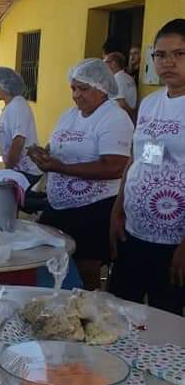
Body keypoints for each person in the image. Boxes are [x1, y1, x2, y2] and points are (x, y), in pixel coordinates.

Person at [28, 59, 133, 290]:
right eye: (73, 88)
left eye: (83, 89)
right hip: (60, 206)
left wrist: (61, 168)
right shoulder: (69, 115)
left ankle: (90, 317)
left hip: (94, 209)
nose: (76, 95)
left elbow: (115, 166)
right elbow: (58, 147)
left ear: (103, 88)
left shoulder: (114, 118)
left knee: (86, 272)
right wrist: (43, 154)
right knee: (49, 261)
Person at [109, 19, 185, 314]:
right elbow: (137, 158)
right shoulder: (151, 103)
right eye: (161, 54)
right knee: (119, 314)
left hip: (174, 242)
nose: (168, 62)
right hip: (134, 231)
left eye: (179, 54)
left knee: (167, 324)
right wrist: (118, 210)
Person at [0, 66, 41, 185]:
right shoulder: (9, 106)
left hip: (27, 171)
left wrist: (7, 170)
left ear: (0, 86)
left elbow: (18, 141)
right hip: (18, 169)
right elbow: (9, 135)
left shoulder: (18, 105)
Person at [104, 51, 138, 117]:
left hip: (119, 117)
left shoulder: (117, 79)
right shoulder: (128, 77)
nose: (104, 65)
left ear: (114, 63)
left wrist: (131, 115)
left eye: (106, 62)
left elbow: (121, 103)